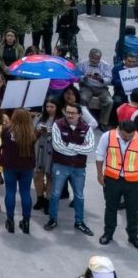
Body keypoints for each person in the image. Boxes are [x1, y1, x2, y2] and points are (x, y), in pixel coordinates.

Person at [45, 101, 95, 235]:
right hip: (60, 165)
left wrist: (70, 146)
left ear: (80, 114)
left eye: (73, 113)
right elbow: (57, 147)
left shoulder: (87, 128)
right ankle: (52, 219)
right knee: (55, 194)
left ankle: (79, 222)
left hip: (79, 168)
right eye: (68, 112)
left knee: (79, 195)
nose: (70, 115)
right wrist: (79, 148)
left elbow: (90, 148)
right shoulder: (58, 125)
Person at [95, 119, 138, 248]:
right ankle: (108, 233)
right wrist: (99, 174)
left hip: (134, 181)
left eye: (130, 136)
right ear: (119, 129)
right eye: (125, 136)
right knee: (111, 207)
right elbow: (99, 155)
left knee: (133, 210)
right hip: (112, 178)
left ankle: (133, 236)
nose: (127, 139)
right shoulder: (107, 136)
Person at [0, 107, 37, 235]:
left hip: (10, 165)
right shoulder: (32, 133)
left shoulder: (6, 131)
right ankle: (26, 222)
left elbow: (2, 144)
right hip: (26, 166)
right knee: (25, 193)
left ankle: (10, 221)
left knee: (10, 191)